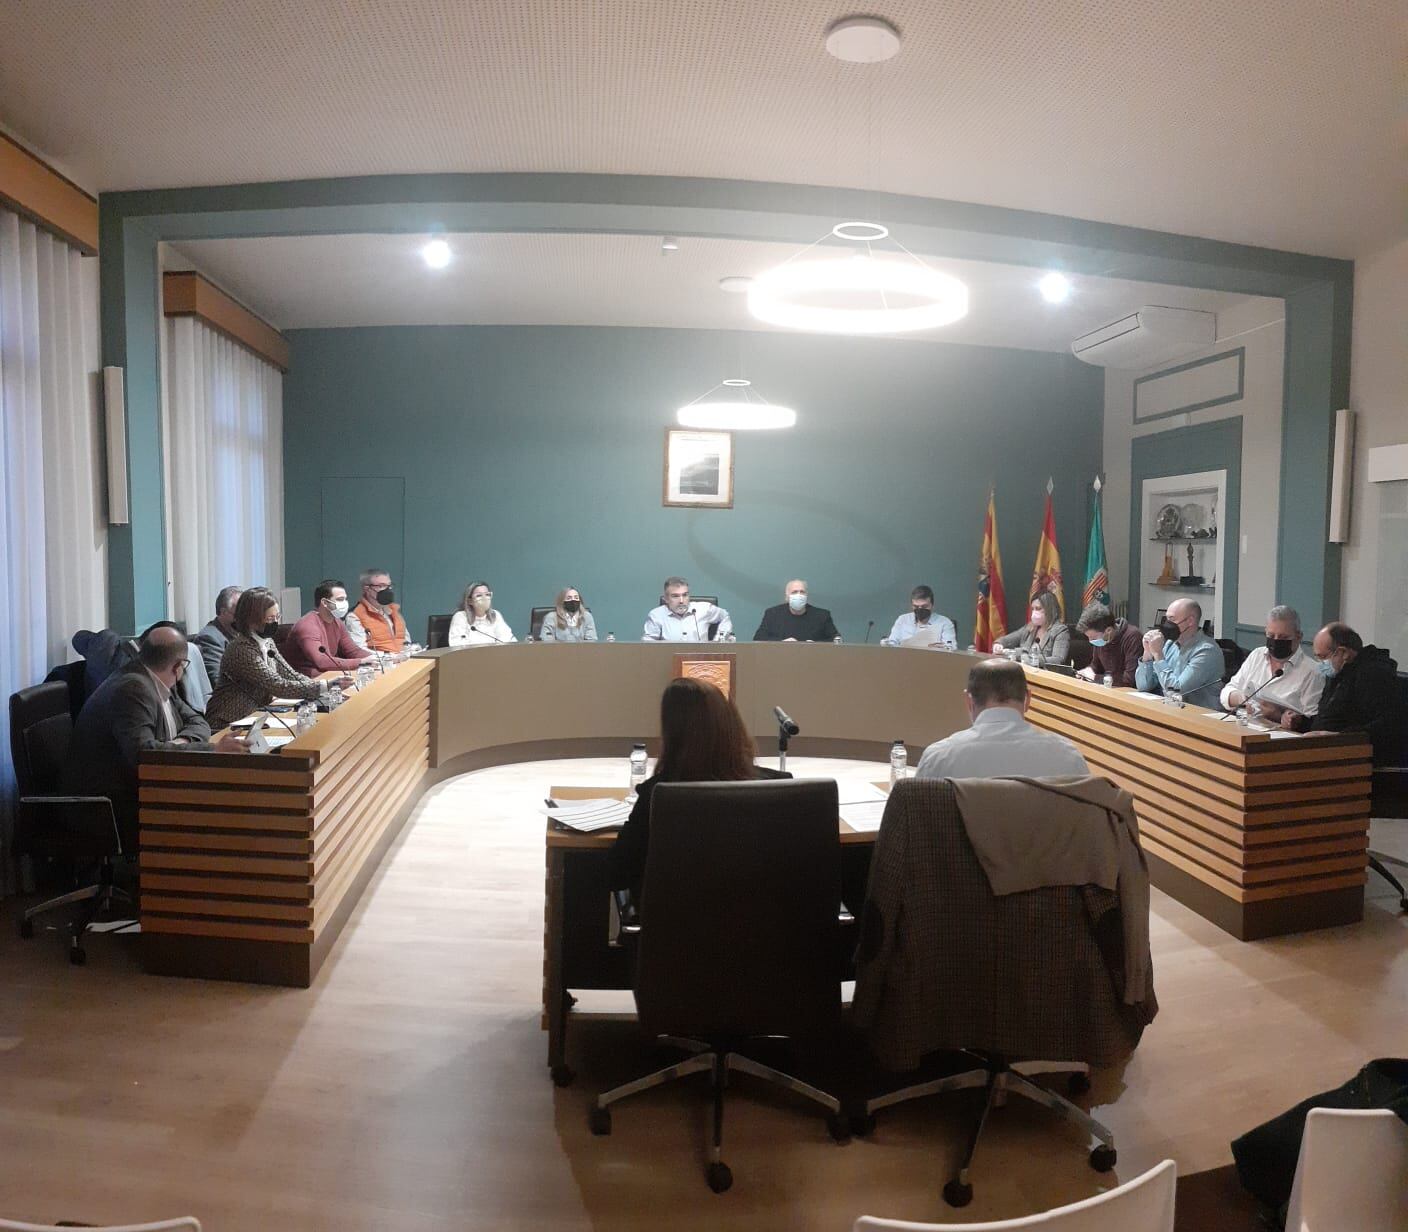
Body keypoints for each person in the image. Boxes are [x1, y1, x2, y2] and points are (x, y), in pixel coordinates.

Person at [59, 626, 245, 847]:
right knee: (215, 808)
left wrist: (180, 743)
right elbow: (144, 756)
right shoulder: (132, 689)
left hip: (137, 790)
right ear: (179, 666)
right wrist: (212, 750)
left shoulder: (157, 677)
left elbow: (198, 721)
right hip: (107, 806)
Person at [607, 677, 789, 899]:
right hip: (758, 919)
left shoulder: (659, 795)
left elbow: (617, 873)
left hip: (674, 920)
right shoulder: (779, 788)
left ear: (672, 735)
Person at [915, 658, 1089, 779]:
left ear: (969, 701)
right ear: (1028, 699)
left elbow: (918, 818)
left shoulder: (937, 759)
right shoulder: (1069, 757)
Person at [206, 588, 351, 731]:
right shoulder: (241, 649)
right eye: (270, 619)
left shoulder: (267, 642)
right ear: (251, 619)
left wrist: (325, 691)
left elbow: (290, 674)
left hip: (256, 718)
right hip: (228, 722)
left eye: (277, 617)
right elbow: (277, 685)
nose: (275, 622)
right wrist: (325, 686)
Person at [1285, 623, 1401, 763]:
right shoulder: (1337, 672)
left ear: (1343, 653)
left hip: (1355, 757)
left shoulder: (1374, 675)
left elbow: (1386, 726)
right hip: (1328, 750)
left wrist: (1339, 736)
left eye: (1323, 657)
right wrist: (1300, 723)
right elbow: (1329, 719)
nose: (1320, 663)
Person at [1220, 605, 1325, 723]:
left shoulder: (1313, 672)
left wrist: (1279, 716)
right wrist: (1245, 699)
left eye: (1283, 637)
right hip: (1245, 726)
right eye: (1271, 636)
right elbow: (1226, 694)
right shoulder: (1257, 655)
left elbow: (1311, 722)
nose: (1276, 640)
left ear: (1298, 636)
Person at [1134, 597, 1223, 709]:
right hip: (1170, 709)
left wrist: (1158, 655)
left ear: (1190, 621)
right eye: (1166, 619)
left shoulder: (1206, 651)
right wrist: (1147, 652)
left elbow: (1176, 691)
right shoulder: (1170, 644)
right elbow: (1143, 686)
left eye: (1172, 619)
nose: (1167, 624)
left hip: (1198, 714)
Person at [284, 579, 375, 676]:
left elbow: (353, 651)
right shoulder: (307, 626)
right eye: (340, 599)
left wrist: (377, 659)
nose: (345, 603)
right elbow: (321, 661)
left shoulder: (337, 622)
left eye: (345, 599)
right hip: (303, 679)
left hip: (326, 675)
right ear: (324, 602)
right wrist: (361, 662)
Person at [642, 576, 733, 642]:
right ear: (666, 599)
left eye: (685, 595)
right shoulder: (656, 615)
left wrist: (719, 640)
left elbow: (724, 616)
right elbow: (648, 643)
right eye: (675, 596)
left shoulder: (704, 609)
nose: (681, 601)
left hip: (700, 659)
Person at [1076, 601, 1143, 687]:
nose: (1090, 641)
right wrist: (1086, 672)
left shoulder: (1133, 637)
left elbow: (1130, 679)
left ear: (1108, 631)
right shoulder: (1102, 639)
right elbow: (1096, 665)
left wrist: (1095, 678)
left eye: (1093, 638)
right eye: (1088, 637)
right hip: (1108, 687)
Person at [347, 568, 411, 654]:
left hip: (403, 660)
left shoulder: (394, 612)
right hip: (379, 661)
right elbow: (359, 650)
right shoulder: (355, 615)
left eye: (389, 586)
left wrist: (411, 650)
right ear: (367, 589)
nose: (387, 590)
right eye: (381, 586)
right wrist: (390, 657)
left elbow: (406, 642)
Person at [753, 578, 840, 642]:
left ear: (806, 595)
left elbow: (836, 640)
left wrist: (816, 644)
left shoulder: (822, 615)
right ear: (787, 596)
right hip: (781, 657)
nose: (799, 595)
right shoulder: (772, 614)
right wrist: (781, 642)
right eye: (794, 592)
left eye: (802, 592)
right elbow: (758, 638)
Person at [996, 591, 1071, 664]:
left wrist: (1032, 659)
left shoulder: (1060, 631)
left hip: (1044, 671)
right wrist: (999, 644)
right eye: (1032, 609)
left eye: (1038, 608)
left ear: (1050, 610)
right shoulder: (1030, 627)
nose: (1034, 612)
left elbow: (1058, 660)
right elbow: (1008, 639)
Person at [191, 585, 241, 687]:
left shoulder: (241, 634)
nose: (243, 619)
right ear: (223, 612)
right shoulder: (209, 638)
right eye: (238, 614)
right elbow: (219, 681)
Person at [885, 585, 956, 648]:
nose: (920, 609)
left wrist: (942, 648)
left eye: (924, 606)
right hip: (905, 657)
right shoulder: (902, 620)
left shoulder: (945, 623)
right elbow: (892, 643)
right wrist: (888, 644)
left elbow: (951, 648)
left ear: (932, 605)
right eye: (916, 606)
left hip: (932, 658)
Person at [448, 581, 516, 645]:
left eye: (487, 594)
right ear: (470, 601)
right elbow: (457, 643)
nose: (485, 598)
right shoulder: (460, 617)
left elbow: (507, 639)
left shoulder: (495, 615)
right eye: (479, 595)